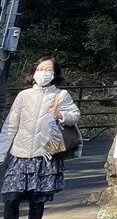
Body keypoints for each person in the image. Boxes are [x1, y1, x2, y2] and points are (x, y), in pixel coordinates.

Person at [0, 57, 80, 219]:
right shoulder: (23, 95)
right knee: (11, 198)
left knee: (36, 201)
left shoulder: (61, 95)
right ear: (33, 72)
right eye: (40, 69)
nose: (43, 73)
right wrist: (1, 152)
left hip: (44, 155)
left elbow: (75, 115)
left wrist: (60, 114)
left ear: (55, 73)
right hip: (18, 156)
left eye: (48, 70)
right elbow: (10, 125)